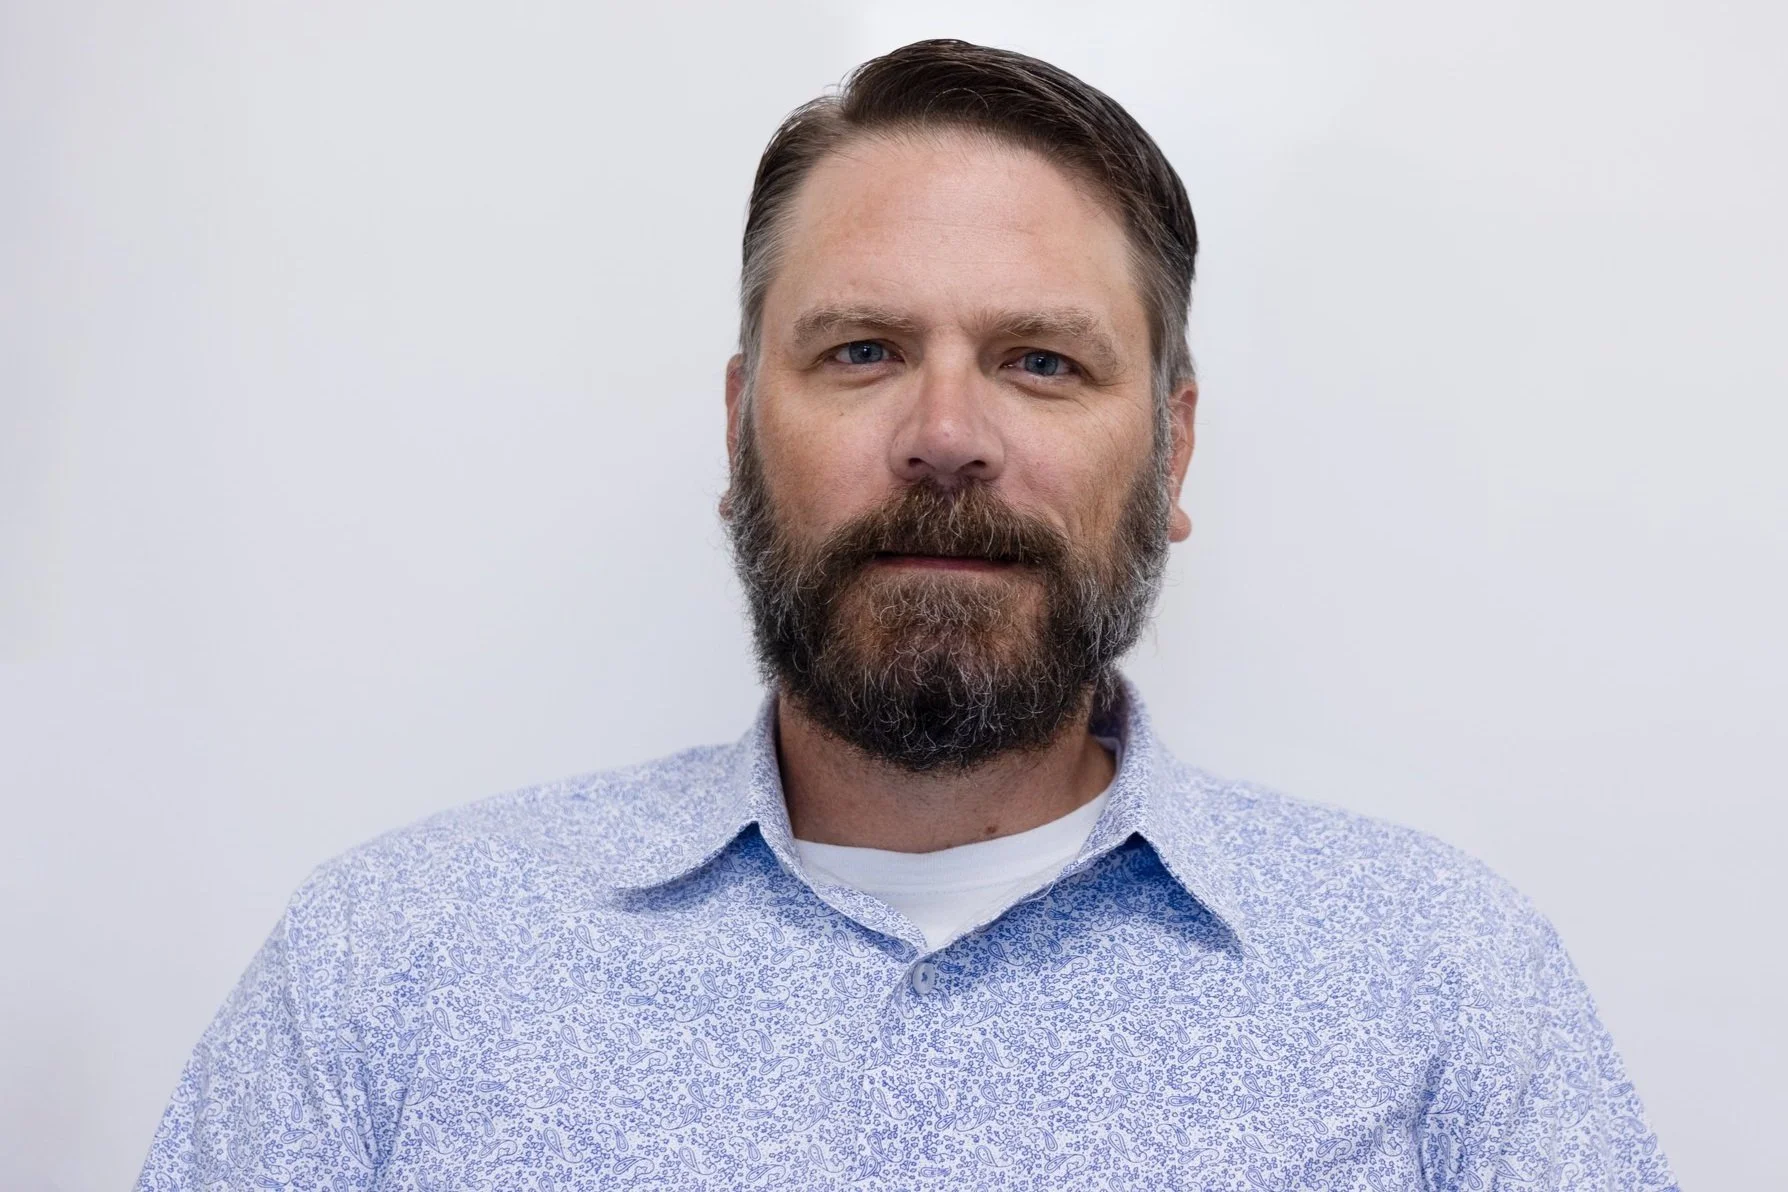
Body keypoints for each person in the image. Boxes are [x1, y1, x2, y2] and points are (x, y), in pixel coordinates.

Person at [135, 39, 1676, 1190]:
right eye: (863, 352)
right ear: (740, 431)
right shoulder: (389, 969)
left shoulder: (1444, 986)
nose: (946, 436)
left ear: (1174, 451)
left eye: (1042, 362)